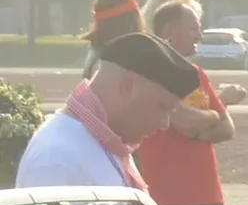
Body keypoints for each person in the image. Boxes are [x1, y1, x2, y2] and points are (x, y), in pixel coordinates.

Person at [135, 0, 247, 205]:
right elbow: (183, 120)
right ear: (171, 31)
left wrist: (201, 126)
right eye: (193, 28)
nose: (199, 35)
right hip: (167, 198)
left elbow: (227, 128)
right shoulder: (152, 72)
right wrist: (209, 117)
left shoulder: (196, 73)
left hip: (207, 196)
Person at [18, 28, 190, 187]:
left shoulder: (106, 142)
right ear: (128, 86)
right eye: (162, 107)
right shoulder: (58, 158)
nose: (164, 124)